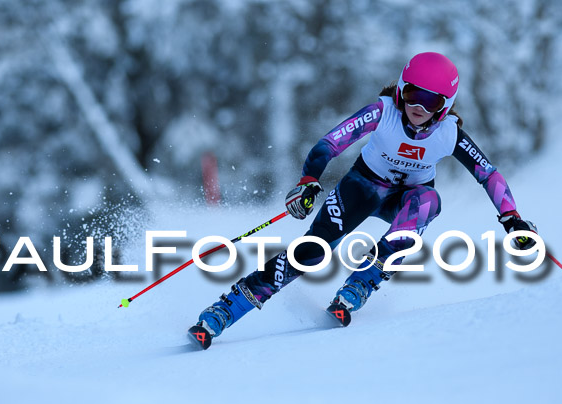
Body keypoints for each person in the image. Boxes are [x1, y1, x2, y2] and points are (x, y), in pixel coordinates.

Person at [188, 52, 537, 348]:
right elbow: (329, 144)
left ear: (444, 107)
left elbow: (487, 173)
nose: (418, 106)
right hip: (362, 188)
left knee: (429, 201)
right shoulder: (383, 112)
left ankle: (361, 282)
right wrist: (309, 181)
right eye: (413, 94)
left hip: (406, 199)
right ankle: (225, 310)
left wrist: (512, 218)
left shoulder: (449, 134)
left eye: (430, 101)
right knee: (311, 252)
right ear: (401, 89)